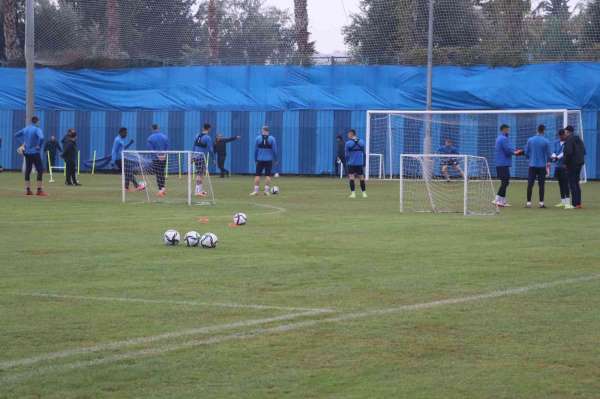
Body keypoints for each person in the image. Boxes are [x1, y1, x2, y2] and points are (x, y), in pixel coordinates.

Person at [14, 116, 47, 196]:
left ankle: (28, 190)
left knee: (28, 170)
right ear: (37, 121)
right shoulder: (37, 129)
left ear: (31, 121)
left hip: (27, 152)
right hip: (35, 152)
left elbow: (16, 135)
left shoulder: (26, 129)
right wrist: (39, 145)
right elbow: (42, 137)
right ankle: (39, 190)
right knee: (39, 170)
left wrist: (22, 143)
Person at [493, 124, 523, 207]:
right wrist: (516, 152)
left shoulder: (500, 138)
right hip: (502, 164)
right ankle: (497, 199)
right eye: (507, 130)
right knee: (505, 182)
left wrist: (516, 151)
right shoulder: (503, 138)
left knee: (505, 182)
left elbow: (508, 149)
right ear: (503, 130)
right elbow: (507, 150)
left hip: (501, 164)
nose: (508, 131)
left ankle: (502, 201)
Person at [524, 124, 552, 208]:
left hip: (532, 165)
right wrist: (548, 162)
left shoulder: (530, 140)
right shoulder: (546, 141)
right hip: (541, 166)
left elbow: (526, 152)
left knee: (530, 184)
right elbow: (549, 154)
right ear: (544, 131)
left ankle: (528, 203)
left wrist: (528, 158)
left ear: (537, 130)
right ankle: (541, 203)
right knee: (541, 185)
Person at [112, 127, 143, 192]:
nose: (126, 134)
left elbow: (123, 149)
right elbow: (114, 150)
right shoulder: (117, 140)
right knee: (128, 172)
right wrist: (113, 161)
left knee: (127, 172)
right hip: (119, 159)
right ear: (121, 132)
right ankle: (137, 186)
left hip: (122, 158)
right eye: (125, 133)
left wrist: (130, 143)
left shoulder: (121, 139)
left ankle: (126, 187)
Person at [562, 125, 586, 209]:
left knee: (572, 183)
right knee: (576, 183)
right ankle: (578, 203)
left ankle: (574, 203)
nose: (564, 133)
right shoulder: (578, 139)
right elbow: (584, 151)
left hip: (572, 164)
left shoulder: (569, 139)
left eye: (565, 132)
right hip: (579, 163)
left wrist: (565, 163)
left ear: (568, 132)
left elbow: (568, 152)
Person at [251, 126, 278, 196]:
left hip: (260, 160)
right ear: (268, 131)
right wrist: (276, 159)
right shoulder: (272, 138)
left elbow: (255, 150)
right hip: (269, 160)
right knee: (268, 175)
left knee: (257, 175)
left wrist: (255, 159)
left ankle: (256, 191)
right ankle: (266, 191)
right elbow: (275, 150)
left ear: (262, 130)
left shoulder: (258, 138)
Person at [147, 124, 169, 197]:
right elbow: (167, 147)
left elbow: (151, 149)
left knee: (158, 174)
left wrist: (158, 156)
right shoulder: (165, 136)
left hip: (156, 158)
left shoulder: (150, 138)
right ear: (158, 128)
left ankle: (160, 190)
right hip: (164, 158)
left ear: (152, 129)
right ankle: (163, 189)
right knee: (162, 173)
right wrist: (164, 155)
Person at [192, 123, 214, 197]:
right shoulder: (208, 138)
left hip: (196, 156)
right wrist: (213, 159)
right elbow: (210, 150)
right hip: (200, 157)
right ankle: (197, 191)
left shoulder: (197, 135)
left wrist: (192, 156)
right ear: (209, 129)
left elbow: (194, 146)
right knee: (200, 174)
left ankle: (200, 190)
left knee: (201, 173)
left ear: (203, 128)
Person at [345, 129, 367, 199]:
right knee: (361, 178)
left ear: (351, 134)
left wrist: (347, 161)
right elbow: (364, 152)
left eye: (348, 134)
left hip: (351, 163)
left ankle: (353, 194)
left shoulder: (348, 143)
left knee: (351, 177)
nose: (348, 135)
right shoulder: (362, 142)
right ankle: (364, 193)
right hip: (359, 163)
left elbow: (346, 154)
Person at [551, 129, 570, 208]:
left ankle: (568, 203)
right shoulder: (556, 142)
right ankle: (562, 201)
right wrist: (554, 156)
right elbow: (553, 151)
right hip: (557, 166)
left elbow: (564, 152)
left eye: (563, 135)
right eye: (560, 135)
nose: (562, 137)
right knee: (560, 184)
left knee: (565, 184)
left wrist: (557, 157)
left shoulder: (567, 143)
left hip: (564, 166)